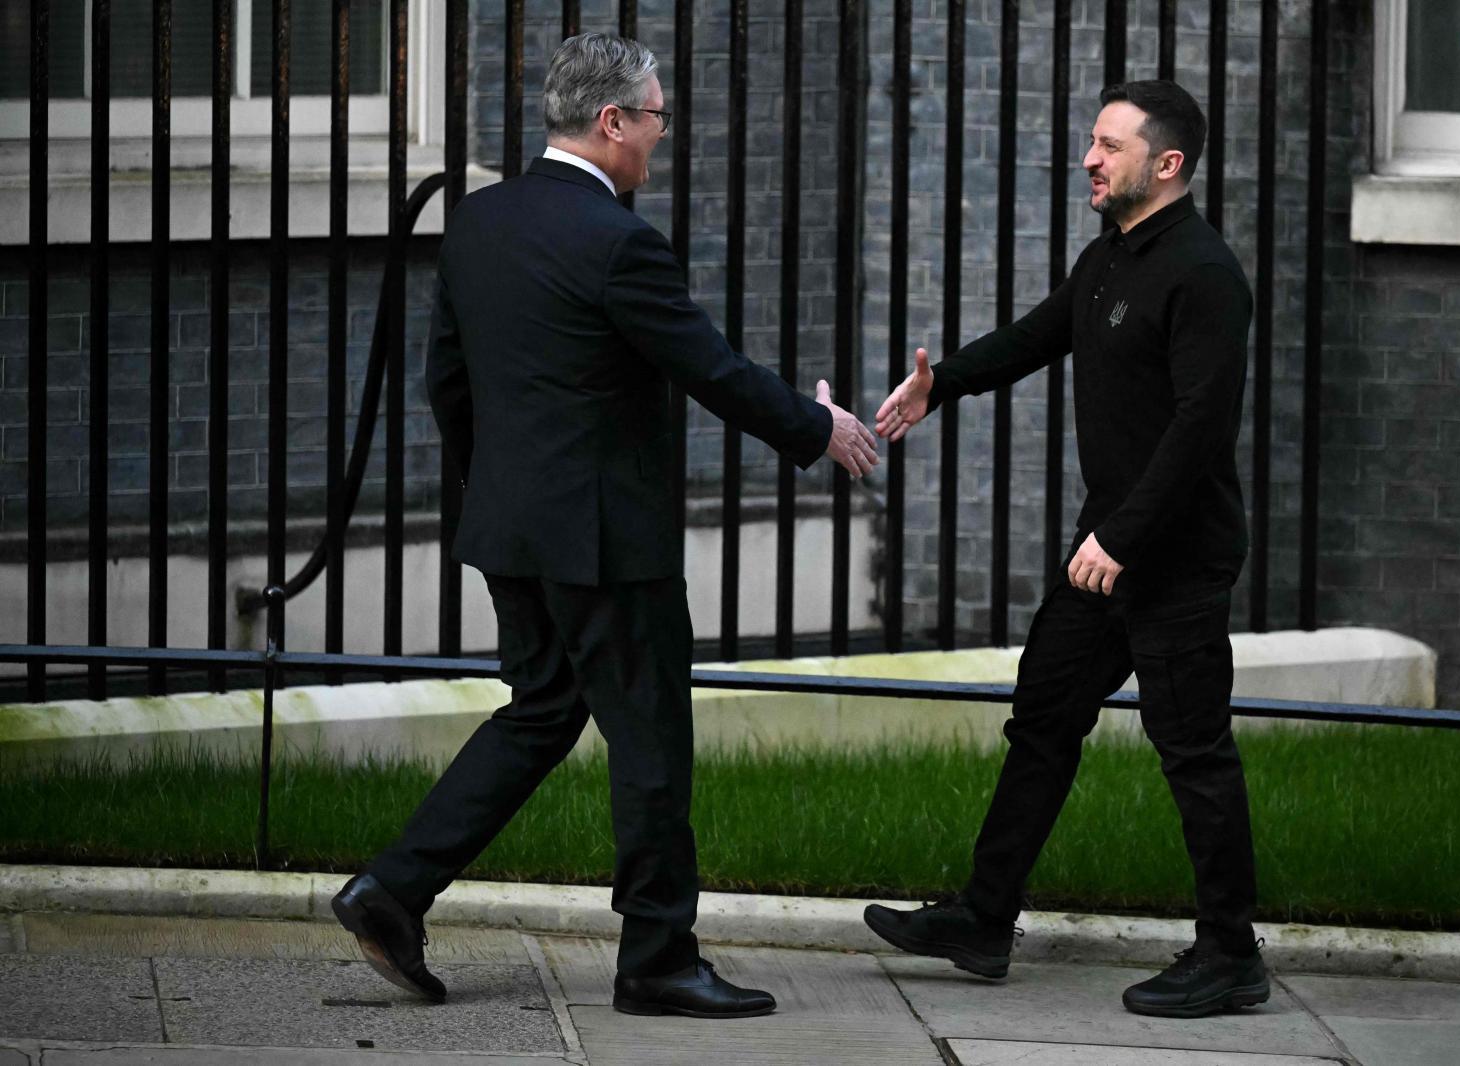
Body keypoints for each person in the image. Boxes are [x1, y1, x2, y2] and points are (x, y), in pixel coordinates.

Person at [331, 32, 878, 1020]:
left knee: (541, 710)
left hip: (511, 529)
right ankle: (657, 956)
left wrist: (498, 490)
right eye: (657, 117)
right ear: (612, 121)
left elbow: (447, 383)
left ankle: (393, 889)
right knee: (651, 740)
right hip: (605, 540)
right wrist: (820, 427)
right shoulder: (618, 240)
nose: (661, 137)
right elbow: (707, 366)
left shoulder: (481, 222)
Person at [864, 79, 1267, 1019]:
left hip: (1171, 557)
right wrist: (943, 384)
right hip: (1109, 550)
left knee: (1194, 753)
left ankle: (1231, 954)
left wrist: (1120, 539)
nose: (1088, 157)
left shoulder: (1204, 275)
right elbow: (1038, 336)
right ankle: (983, 920)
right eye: (1091, 141)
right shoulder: (1106, 260)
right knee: (1042, 719)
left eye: (1109, 146)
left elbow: (1201, 426)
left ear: (1166, 165)